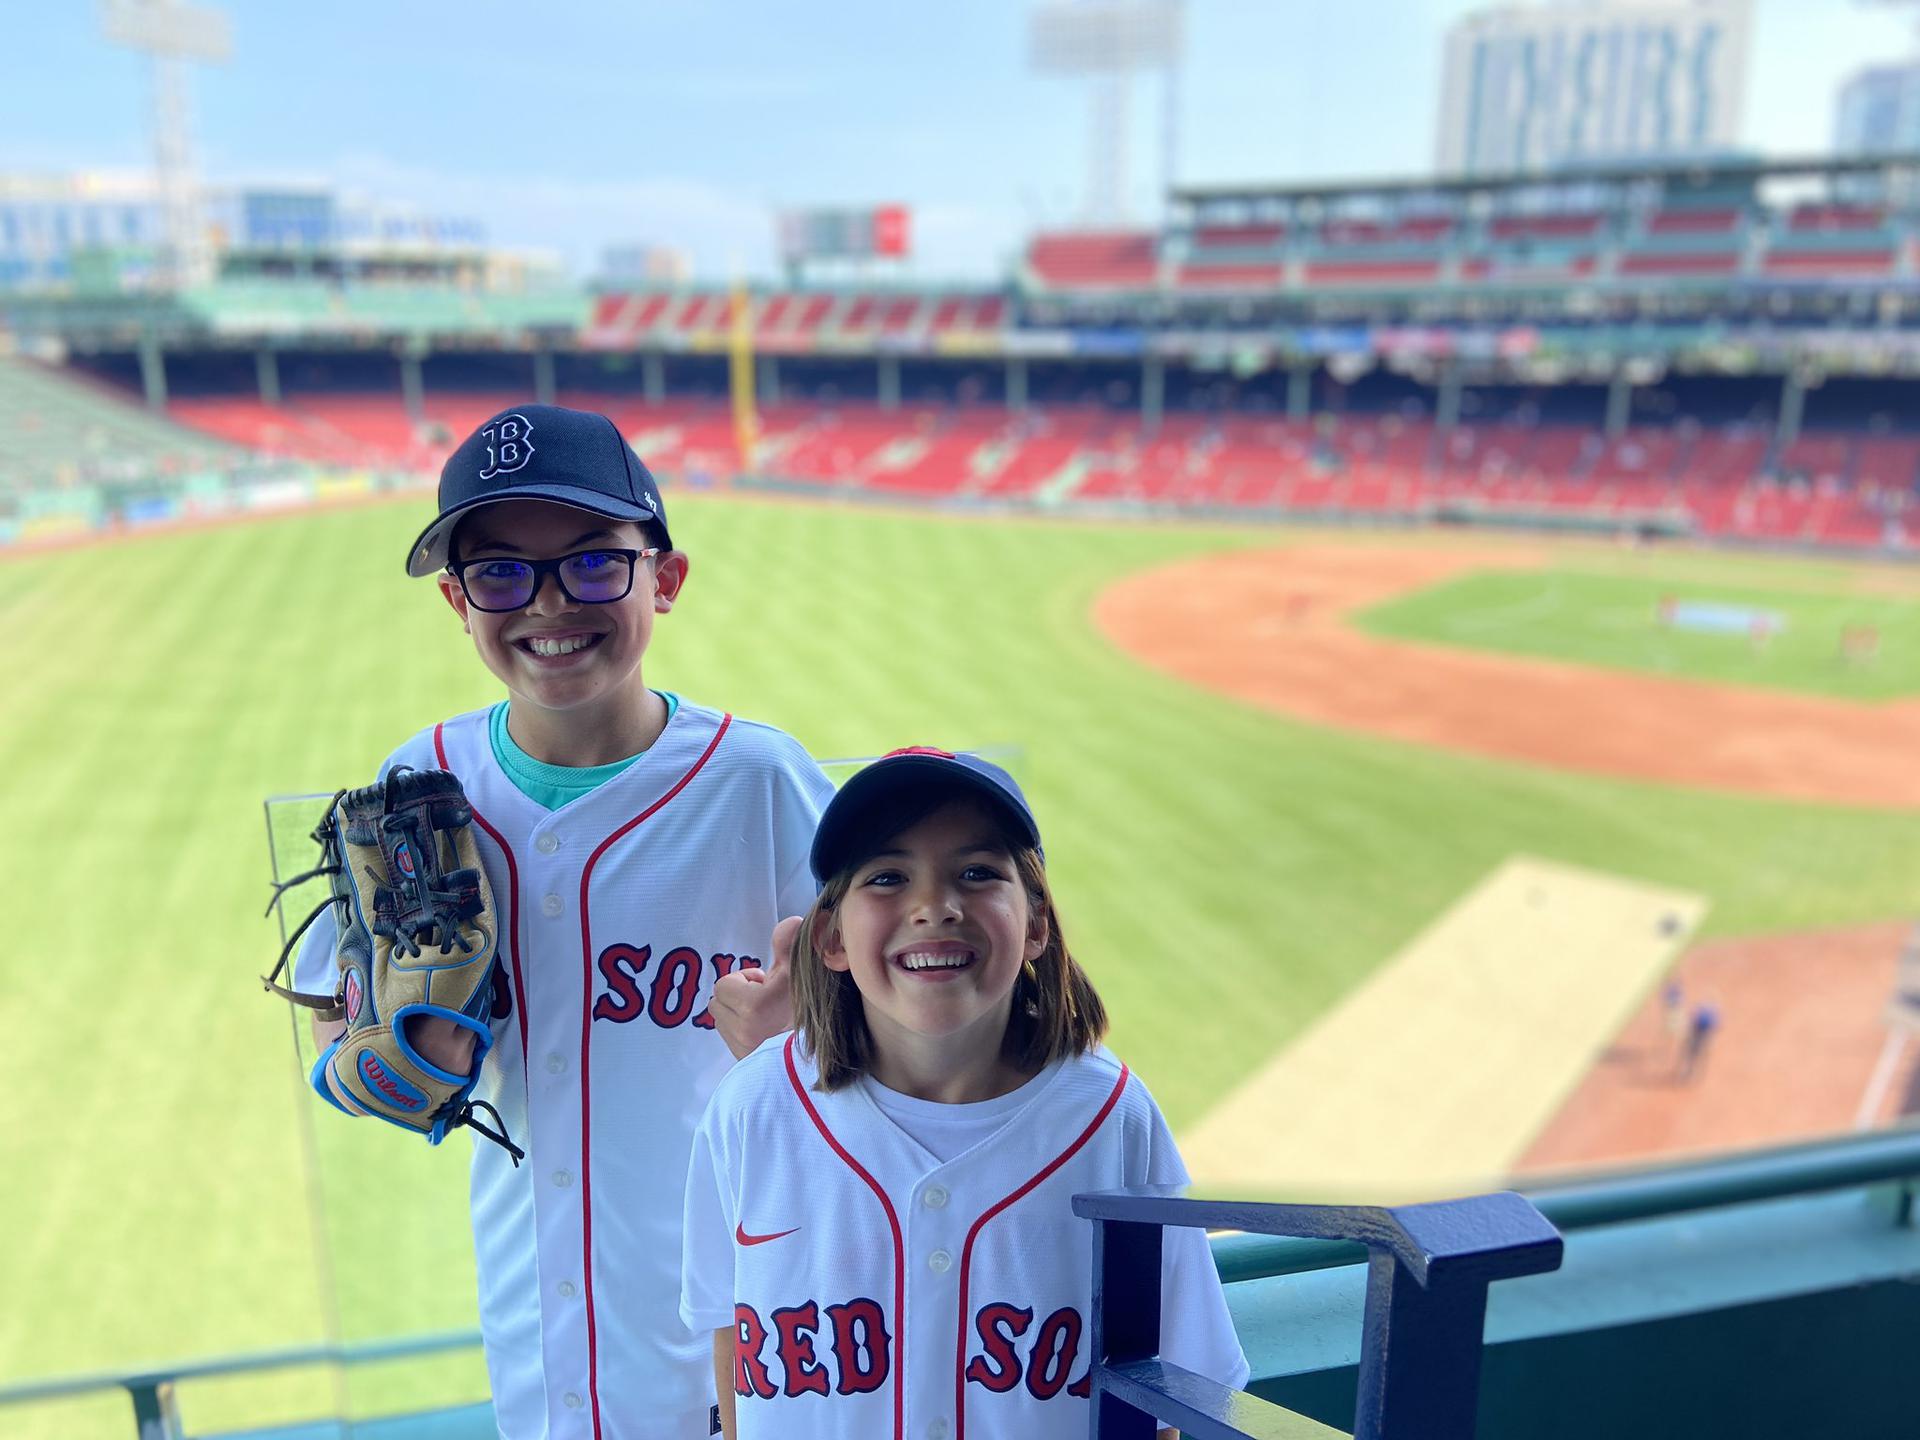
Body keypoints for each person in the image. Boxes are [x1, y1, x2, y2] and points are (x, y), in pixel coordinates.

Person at [291, 403, 829, 1439]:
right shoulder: (420, 787)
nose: (546, 604)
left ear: (664, 580)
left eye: (592, 563)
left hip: (752, 1338)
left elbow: (920, 1042)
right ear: (456, 599)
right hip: (533, 1342)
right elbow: (332, 1018)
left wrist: (809, 1054)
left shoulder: (760, 783)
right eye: (499, 572)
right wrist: (384, 1067)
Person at [680, 748, 1248, 1440]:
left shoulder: (1111, 1120)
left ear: (1036, 922)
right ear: (829, 936)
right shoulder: (753, 1108)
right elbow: (730, 1336)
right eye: (887, 877)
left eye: (977, 874)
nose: (934, 907)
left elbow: (1175, 1390)